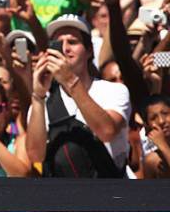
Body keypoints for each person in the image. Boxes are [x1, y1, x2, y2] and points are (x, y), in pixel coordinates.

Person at [26, 14, 130, 177]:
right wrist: (38, 97)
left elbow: (107, 131)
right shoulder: (43, 102)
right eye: (59, 44)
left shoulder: (114, 90)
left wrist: (70, 81)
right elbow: (35, 155)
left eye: (73, 42)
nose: (65, 49)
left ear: (89, 51)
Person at [142, 95, 170, 178]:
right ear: (147, 126)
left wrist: (163, 146)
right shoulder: (152, 161)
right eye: (153, 118)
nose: (161, 121)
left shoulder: (163, 147)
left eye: (165, 113)